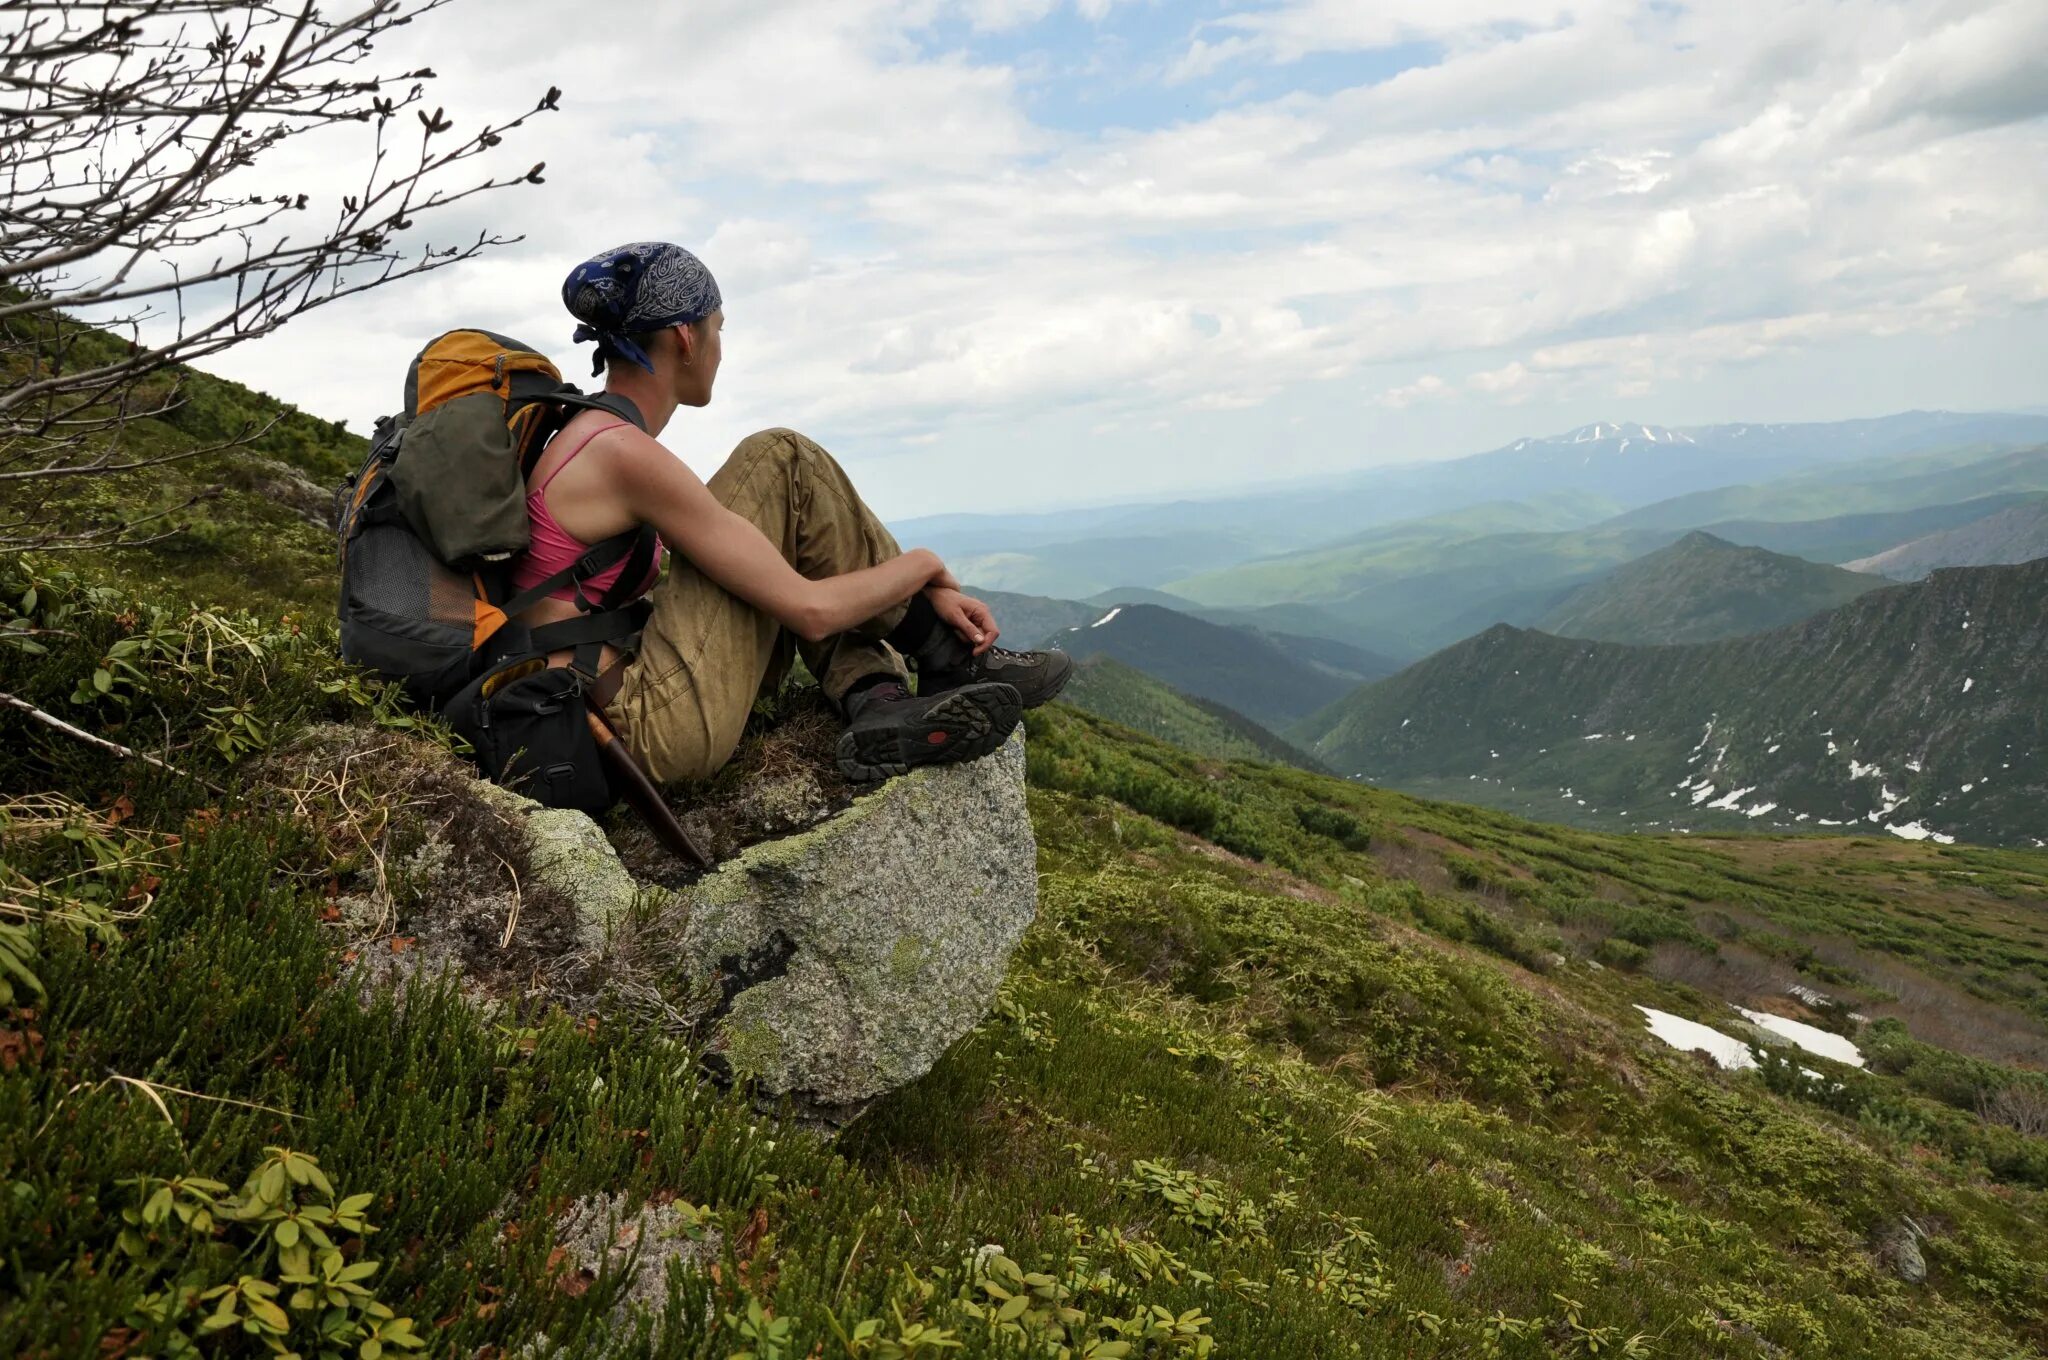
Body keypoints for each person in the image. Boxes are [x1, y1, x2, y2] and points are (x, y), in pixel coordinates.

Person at [509, 240, 1071, 784]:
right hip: (646, 730)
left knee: (769, 545)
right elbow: (811, 611)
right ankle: (945, 654)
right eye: (718, 329)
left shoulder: (593, 438)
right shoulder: (621, 454)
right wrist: (926, 566)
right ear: (685, 336)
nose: (720, 348)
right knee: (781, 458)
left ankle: (877, 698)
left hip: (614, 704)